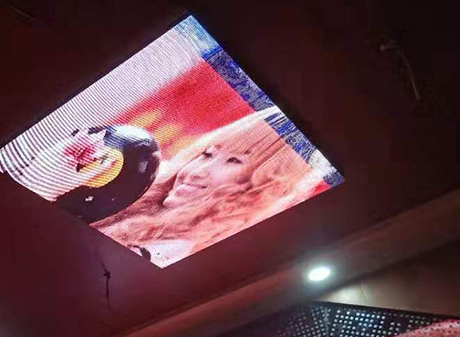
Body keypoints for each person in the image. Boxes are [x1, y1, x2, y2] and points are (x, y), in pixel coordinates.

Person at [95, 108, 327, 266]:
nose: (196, 172)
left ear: (261, 187)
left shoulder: (178, 250)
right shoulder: (141, 187)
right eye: (207, 154)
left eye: (234, 161)